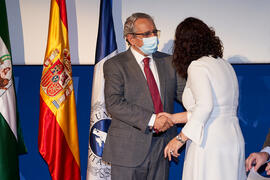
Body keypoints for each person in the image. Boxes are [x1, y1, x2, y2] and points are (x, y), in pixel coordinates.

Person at [159, 17, 246, 180]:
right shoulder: (224, 64)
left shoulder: (197, 66)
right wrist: (173, 118)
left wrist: (180, 139)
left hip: (210, 143)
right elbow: (214, 110)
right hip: (232, 140)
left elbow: (205, 107)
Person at [102, 12, 185, 180]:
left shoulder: (169, 62)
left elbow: (186, 95)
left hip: (162, 146)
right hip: (128, 150)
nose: (153, 37)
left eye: (154, 32)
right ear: (131, 38)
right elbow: (114, 103)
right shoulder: (115, 65)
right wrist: (153, 120)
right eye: (147, 34)